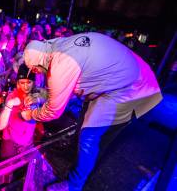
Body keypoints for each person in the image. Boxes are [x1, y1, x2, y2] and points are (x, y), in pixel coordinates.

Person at [21, 32, 162, 191]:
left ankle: (73, 185)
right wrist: (39, 95)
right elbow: (66, 85)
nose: (37, 73)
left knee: (89, 135)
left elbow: (53, 111)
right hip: (127, 75)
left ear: (37, 65)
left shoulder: (61, 64)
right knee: (84, 122)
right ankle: (77, 158)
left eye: (35, 70)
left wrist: (30, 114)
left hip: (130, 87)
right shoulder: (56, 46)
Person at [0, 63, 46, 159]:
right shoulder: (12, 96)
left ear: (33, 82)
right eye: (22, 83)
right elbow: (0, 126)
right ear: (18, 83)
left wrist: (38, 100)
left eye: (29, 82)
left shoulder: (37, 95)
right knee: (7, 172)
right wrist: (9, 104)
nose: (26, 87)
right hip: (10, 144)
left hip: (27, 144)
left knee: (28, 172)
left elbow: (48, 95)